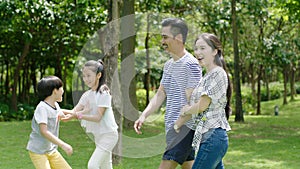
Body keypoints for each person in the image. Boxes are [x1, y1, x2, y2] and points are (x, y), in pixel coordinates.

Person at [134, 18, 202, 169]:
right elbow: (160, 94)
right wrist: (144, 115)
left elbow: (195, 100)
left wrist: (180, 124)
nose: (162, 41)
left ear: (178, 38)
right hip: (173, 128)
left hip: (184, 128)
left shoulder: (191, 64)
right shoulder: (169, 65)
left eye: (165, 37)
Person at [174, 33, 232, 169]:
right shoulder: (207, 76)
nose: (197, 52)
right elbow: (196, 105)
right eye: (196, 49)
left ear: (214, 51)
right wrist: (178, 124)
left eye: (202, 48)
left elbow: (201, 106)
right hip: (208, 139)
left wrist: (185, 111)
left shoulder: (218, 73)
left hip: (213, 138)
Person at [62, 60, 118, 169]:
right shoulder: (87, 95)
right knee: (106, 166)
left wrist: (78, 115)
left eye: (89, 76)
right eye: (84, 76)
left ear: (98, 75)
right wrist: (57, 111)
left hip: (109, 135)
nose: (86, 79)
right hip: (99, 135)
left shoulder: (104, 92)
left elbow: (98, 117)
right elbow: (74, 111)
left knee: (92, 165)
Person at [26, 76, 73, 169]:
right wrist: (63, 145)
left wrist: (77, 113)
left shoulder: (55, 105)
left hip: (51, 150)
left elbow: (60, 112)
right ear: (55, 91)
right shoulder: (42, 108)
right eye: (61, 88)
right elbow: (44, 131)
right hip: (38, 151)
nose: (63, 91)